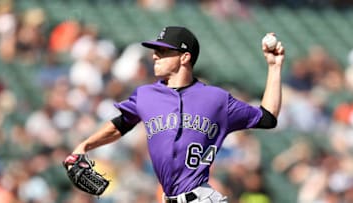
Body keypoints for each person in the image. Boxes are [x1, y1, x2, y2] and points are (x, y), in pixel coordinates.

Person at [63, 26, 285, 203]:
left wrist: (274, 67)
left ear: (184, 57)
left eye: (163, 51)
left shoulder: (216, 99)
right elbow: (120, 125)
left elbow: (267, 117)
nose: (154, 56)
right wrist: (84, 146)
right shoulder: (145, 95)